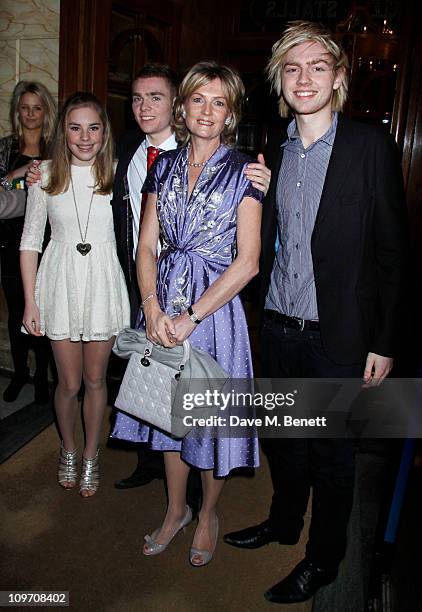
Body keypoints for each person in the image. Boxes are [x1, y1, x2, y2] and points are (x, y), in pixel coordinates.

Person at [223, 21, 407, 604]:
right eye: (292, 68)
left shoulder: (369, 147)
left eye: (317, 67)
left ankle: (323, 560)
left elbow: (394, 255)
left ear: (338, 78)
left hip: (339, 337)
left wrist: (383, 340)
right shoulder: (271, 151)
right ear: (280, 78)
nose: (304, 78)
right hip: (277, 326)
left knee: (331, 457)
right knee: (283, 439)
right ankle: (282, 523)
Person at [113, 60, 265, 566]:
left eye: (218, 102)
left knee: (208, 423)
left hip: (214, 314)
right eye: (198, 99)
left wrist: (191, 318)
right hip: (163, 302)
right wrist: (152, 307)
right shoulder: (164, 165)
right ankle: (176, 510)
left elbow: (247, 264)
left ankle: (208, 515)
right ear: (183, 106)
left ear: (230, 114)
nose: (206, 110)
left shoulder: (246, 174)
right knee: (166, 416)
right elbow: (146, 244)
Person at [20, 92, 130, 498]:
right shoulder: (44, 174)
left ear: (105, 132)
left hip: (102, 282)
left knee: (95, 379)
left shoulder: (121, 174)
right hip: (60, 283)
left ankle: (90, 453)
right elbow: (30, 241)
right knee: (67, 383)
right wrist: (32, 301)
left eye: (94, 127)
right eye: (75, 127)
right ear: (63, 131)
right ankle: (67, 447)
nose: (85, 137)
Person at [0, 81, 56, 404]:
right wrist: (19, 173)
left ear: (45, 111)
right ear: (17, 111)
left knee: (44, 311)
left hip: (47, 242)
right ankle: (20, 373)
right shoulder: (6, 149)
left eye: (37, 108)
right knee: (17, 311)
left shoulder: (55, 149)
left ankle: (41, 379)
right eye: (25, 107)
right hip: (10, 244)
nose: (31, 114)